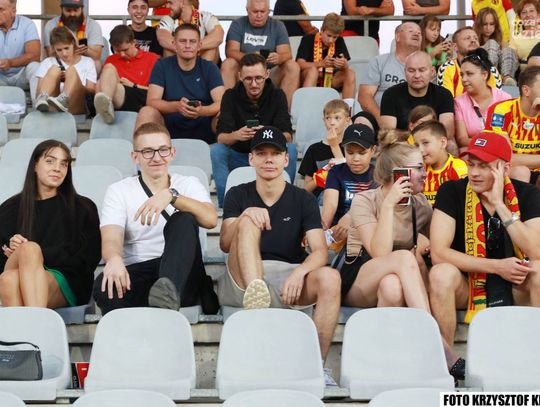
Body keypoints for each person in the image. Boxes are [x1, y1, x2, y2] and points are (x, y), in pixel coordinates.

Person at [217, 125, 341, 382]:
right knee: (248, 219)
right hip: (242, 278)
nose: (269, 159)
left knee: (331, 278)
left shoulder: (303, 199)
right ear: (251, 159)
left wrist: (300, 272)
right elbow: (226, 244)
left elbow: (320, 252)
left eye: (275, 153)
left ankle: (317, 366)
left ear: (286, 159)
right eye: (261, 153)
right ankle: (257, 294)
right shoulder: (238, 193)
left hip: (287, 278)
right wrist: (245, 216)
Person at [341, 130, 466, 379]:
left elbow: (437, 247)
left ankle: (386, 365)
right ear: (398, 173)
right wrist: (389, 205)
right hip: (359, 278)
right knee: (404, 258)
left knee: (392, 287)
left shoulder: (420, 204)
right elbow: (379, 252)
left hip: (394, 280)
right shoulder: (364, 200)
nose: (425, 172)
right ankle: (439, 346)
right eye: (418, 167)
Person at [429, 131, 540, 355]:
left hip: (516, 284)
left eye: (484, 166)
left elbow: (536, 250)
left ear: (505, 169)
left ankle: (534, 357)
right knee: (441, 273)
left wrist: (500, 205)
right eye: (471, 164)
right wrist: (497, 267)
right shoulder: (451, 191)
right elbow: (438, 253)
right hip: (469, 284)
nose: (474, 173)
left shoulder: (528, 193)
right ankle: (447, 360)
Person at [93, 122, 219, 314]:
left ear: (172, 153)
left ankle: (166, 295)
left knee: (183, 219)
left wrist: (172, 196)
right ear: (135, 157)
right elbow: (111, 237)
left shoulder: (188, 184)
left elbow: (211, 219)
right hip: (142, 269)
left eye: (163, 150)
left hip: (184, 273)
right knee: (104, 285)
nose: (157, 157)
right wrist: (114, 259)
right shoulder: (119, 190)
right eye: (148, 151)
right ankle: (158, 305)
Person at [0, 139, 101, 308]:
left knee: (24, 256)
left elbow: (88, 258)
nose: (57, 168)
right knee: (11, 273)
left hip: (66, 280)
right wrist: (12, 251)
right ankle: (37, 322)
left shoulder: (83, 207)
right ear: (35, 165)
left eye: (64, 164)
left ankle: (26, 324)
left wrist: (33, 256)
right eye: (50, 161)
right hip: (15, 272)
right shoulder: (9, 208)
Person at [211, 53, 295, 208]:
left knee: (291, 149)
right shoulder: (230, 96)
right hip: (239, 155)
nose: (254, 84)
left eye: (259, 78)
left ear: (267, 74)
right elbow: (221, 138)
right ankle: (226, 205)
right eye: (248, 79)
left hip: (267, 156)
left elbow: (287, 136)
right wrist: (236, 135)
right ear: (240, 77)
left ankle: (284, 201)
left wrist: (268, 134)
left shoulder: (277, 95)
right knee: (217, 151)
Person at [139, 24, 224, 144]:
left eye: (192, 41)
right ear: (174, 44)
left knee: (224, 115)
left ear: (199, 45)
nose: (187, 45)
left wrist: (202, 111)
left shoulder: (209, 67)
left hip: (204, 124)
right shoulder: (162, 65)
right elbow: (152, 101)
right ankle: (142, 153)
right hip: (168, 127)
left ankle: (229, 153)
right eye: (183, 41)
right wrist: (177, 106)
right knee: (147, 112)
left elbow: (221, 102)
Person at [220, 0, 300, 109]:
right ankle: (227, 110)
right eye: (255, 11)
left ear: (268, 11)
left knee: (292, 66)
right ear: (247, 10)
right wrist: (252, 57)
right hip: (244, 73)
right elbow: (230, 51)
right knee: (228, 63)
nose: (259, 15)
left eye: (262, 11)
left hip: (269, 74)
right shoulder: (238, 24)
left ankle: (283, 112)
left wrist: (279, 57)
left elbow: (287, 54)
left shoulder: (278, 25)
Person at [380, 51, 456, 153]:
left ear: (432, 71)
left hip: (432, 144)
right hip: (402, 145)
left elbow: (447, 132)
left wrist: (422, 138)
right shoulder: (391, 94)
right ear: (404, 72)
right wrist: (416, 138)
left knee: (450, 145)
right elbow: (388, 132)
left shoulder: (444, 94)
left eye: (422, 70)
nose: (417, 75)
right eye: (411, 70)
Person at [321, 124, 377, 246]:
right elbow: (330, 206)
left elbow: (375, 206)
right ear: (343, 149)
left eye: (362, 153)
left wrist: (351, 216)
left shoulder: (378, 175)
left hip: (368, 231)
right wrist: (322, 230)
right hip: (337, 231)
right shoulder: (336, 172)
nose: (356, 158)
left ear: (373, 150)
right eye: (350, 152)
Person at [484, 66, 540, 185]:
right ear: (526, 91)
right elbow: (506, 157)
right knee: (522, 172)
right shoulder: (501, 110)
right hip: (511, 172)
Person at [94, 25, 159, 124]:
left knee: (106, 84)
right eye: (117, 51)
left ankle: (102, 116)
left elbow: (159, 92)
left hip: (140, 96)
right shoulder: (111, 59)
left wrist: (133, 85)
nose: (122, 54)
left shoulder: (153, 59)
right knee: (103, 77)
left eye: (125, 50)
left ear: (134, 42)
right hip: (118, 97)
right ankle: (105, 111)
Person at [358, 22, 422, 121]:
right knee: (361, 120)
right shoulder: (379, 62)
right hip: (379, 118)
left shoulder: (426, 67)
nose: (416, 34)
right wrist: (382, 120)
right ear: (398, 37)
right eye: (410, 31)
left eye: (419, 32)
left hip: (414, 121)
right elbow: (364, 96)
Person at [454, 49, 511, 150]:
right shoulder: (459, 102)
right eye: (462, 75)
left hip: (502, 150)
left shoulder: (504, 98)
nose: (464, 79)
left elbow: (511, 134)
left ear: (484, 75)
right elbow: (462, 139)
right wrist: (487, 144)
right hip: (475, 150)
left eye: (469, 74)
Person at [296, 13, 356, 104]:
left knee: (350, 73)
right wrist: (321, 63)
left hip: (330, 79)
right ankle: (306, 106)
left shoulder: (340, 41)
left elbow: (345, 66)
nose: (331, 40)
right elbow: (299, 64)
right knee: (313, 71)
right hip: (310, 77)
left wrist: (343, 64)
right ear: (322, 30)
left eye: (335, 37)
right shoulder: (308, 39)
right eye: (329, 35)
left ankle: (348, 109)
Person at [34, 26, 96, 114]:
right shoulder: (47, 62)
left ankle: (64, 98)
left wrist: (73, 81)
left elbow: (91, 91)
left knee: (71, 71)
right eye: (59, 50)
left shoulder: (88, 62)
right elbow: (37, 93)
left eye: (66, 48)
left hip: (77, 104)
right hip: (53, 106)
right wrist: (57, 79)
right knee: (54, 69)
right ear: (53, 48)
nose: (64, 53)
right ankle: (44, 98)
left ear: (73, 43)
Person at [299, 99, 350, 200]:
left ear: (347, 120)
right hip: (319, 202)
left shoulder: (351, 147)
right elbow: (306, 189)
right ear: (324, 121)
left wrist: (334, 146)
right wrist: (323, 175)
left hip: (344, 201)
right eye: (328, 118)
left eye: (337, 118)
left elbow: (348, 181)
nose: (332, 122)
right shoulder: (314, 149)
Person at [412, 120, 468, 206]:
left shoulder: (458, 167)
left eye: (425, 143)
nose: (420, 150)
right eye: (416, 145)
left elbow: (464, 202)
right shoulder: (419, 169)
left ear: (443, 143)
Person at [437, 27, 502, 97]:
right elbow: (446, 101)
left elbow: (497, 100)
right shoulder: (447, 68)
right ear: (455, 47)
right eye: (467, 38)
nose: (473, 40)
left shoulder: (490, 69)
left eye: (476, 38)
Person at [157, 0, 223, 63]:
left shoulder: (205, 16)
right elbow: (162, 38)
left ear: (182, 2)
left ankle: (203, 71)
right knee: (168, 49)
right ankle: (173, 71)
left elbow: (218, 36)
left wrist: (193, 47)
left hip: (202, 59)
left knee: (212, 47)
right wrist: (186, 48)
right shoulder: (168, 18)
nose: (167, 6)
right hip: (179, 60)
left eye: (170, 3)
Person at [43, 0, 103, 68]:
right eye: (68, 10)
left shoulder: (93, 25)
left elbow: (96, 56)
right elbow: (50, 54)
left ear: (82, 9)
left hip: (83, 64)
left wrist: (85, 49)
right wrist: (69, 48)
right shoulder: (51, 24)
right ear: (62, 9)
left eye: (76, 10)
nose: (72, 14)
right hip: (60, 64)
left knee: (97, 63)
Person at [0, 0, 40, 97]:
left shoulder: (27, 24)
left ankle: (38, 105)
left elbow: (35, 55)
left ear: (13, 12)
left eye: (0, 9)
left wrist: (10, 63)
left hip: (21, 76)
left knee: (35, 66)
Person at [473, 7, 519, 86]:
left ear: (496, 25)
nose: (488, 28)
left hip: (500, 73)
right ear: (479, 24)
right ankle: (491, 75)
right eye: (485, 24)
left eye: (491, 24)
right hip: (482, 71)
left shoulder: (501, 40)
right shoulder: (473, 39)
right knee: (492, 43)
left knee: (508, 50)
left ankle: (507, 78)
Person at [509, 0, 540, 73]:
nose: (528, 15)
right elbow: (512, 59)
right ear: (520, 18)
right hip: (526, 73)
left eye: (531, 11)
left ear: (538, 15)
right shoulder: (515, 38)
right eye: (524, 12)